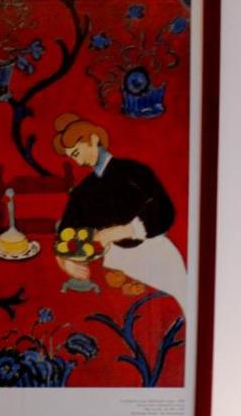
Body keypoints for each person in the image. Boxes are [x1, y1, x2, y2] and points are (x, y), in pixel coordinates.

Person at [51, 113, 189, 319]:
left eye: (77, 152)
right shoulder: (84, 190)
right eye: (73, 157)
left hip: (156, 255)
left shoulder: (134, 171)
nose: (78, 162)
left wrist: (124, 230)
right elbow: (66, 233)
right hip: (116, 263)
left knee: (176, 311)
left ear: (93, 140)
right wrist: (65, 262)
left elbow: (164, 211)